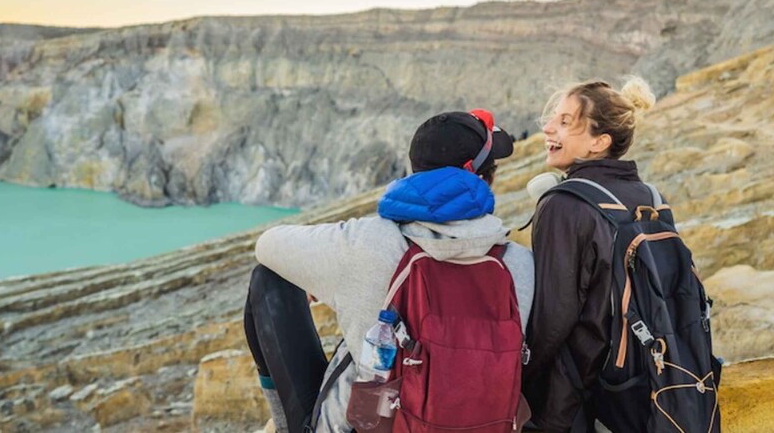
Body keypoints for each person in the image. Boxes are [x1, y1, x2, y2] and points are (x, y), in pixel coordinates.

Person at [243, 109, 535, 433]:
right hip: (487, 424)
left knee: (268, 278)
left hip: (373, 424)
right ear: (482, 180)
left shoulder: (365, 242)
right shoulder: (519, 264)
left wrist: (322, 280)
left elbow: (267, 245)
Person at [522, 78, 658, 432]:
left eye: (566, 122)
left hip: (573, 401)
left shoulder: (564, 203)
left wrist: (520, 376)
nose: (548, 128)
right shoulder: (649, 196)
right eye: (553, 118)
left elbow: (552, 319)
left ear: (600, 142)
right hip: (641, 387)